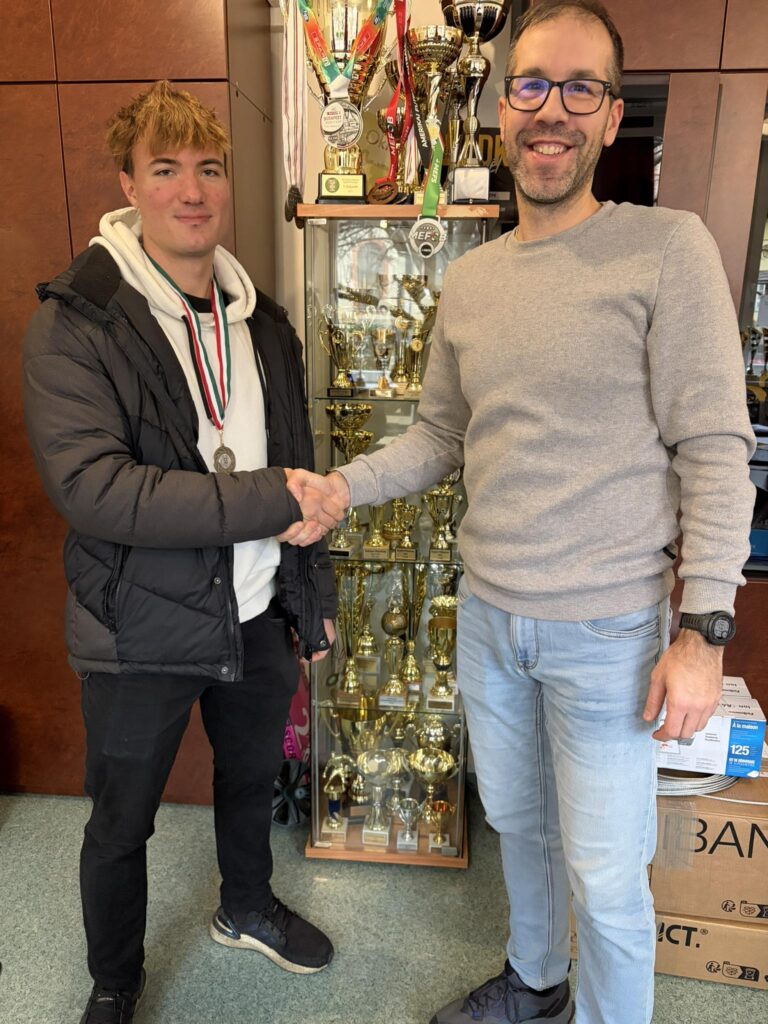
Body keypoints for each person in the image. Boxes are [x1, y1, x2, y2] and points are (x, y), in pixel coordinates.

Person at [290, 3, 756, 1022]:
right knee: (519, 826)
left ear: (610, 115)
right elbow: (440, 438)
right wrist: (342, 486)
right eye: (535, 84)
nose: (553, 110)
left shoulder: (667, 250)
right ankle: (537, 983)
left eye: (581, 88)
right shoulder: (472, 281)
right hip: (489, 620)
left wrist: (703, 632)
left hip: (609, 634)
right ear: (505, 108)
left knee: (607, 875)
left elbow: (717, 448)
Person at [23, 81, 346, 1024]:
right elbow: (98, 489)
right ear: (129, 184)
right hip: (140, 626)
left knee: (249, 782)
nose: (192, 191)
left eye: (209, 168)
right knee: (121, 820)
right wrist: (271, 498)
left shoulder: (265, 323)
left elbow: (297, 455)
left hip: (255, 611)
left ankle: (244, 907)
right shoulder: (77, 320)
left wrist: (311, 595)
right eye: (165, 169)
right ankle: (115, 980)